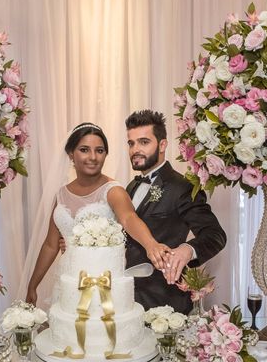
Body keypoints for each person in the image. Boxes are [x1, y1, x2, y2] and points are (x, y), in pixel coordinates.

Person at [125, 109, 227, 362]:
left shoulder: (182, 186)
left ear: (163, 144)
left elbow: (215, 235)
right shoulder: (129, 185)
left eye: (143, 141)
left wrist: (186, 251)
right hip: (127, 299)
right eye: (131, 143)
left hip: (164, 301)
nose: (136, 149)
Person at [25, 122, 170, 305]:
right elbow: (50, 245)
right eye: (84, 150)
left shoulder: (113, 190)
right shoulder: (60, 195)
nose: (93, 157)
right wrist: (32, 285)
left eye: (100, 150)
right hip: (68, 283)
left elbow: (129, 218)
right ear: (71, 154)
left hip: (104, 287)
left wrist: (152, 245)